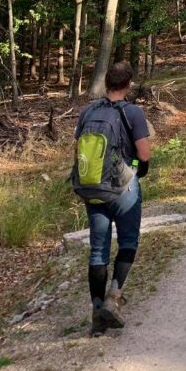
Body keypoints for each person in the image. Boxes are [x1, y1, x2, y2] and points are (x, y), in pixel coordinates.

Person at [74, 61, 151, 336]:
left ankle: (97, 315)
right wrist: (140, 169)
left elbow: (79, 149)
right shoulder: (133, 112)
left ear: (107, 83)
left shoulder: (87, 111)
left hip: (92, 188)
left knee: (98, 251)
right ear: (128, 85)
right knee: (128, 242)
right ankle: (113, 297)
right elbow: (144, 154)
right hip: (122, 189)